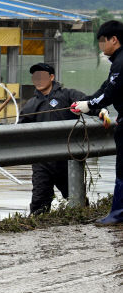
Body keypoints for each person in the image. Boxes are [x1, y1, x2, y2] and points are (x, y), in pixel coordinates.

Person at [19, 63, 103, 215]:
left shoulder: (68, 95)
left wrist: (101, 111)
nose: (38, 80)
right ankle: (38, 229)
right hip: (42, 161)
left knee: (77, 200)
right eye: (35, 77)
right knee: (39, 202)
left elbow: (89, 104)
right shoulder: (31, 105)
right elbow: (19, 129)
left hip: (67, 158)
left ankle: (82, 219)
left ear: (51, 77)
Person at [71, 20, 123, 226]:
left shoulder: (121, 62)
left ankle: (118, 213)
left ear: (114, 40)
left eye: (102, 41)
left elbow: (110, 93)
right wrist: (87, 102)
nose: (100, 46)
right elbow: (104, 88)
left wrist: (88, 105)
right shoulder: (118, 61)